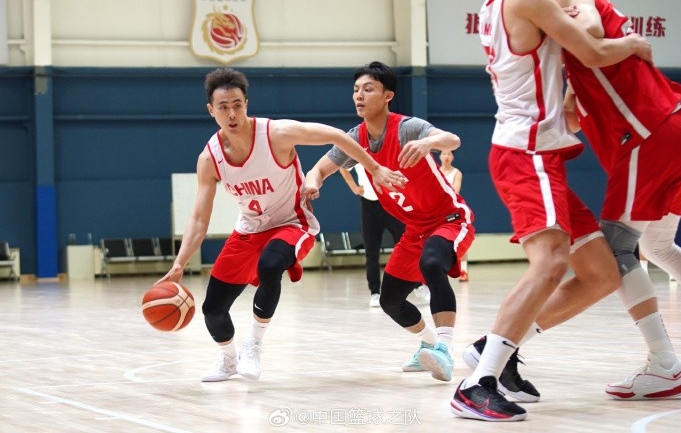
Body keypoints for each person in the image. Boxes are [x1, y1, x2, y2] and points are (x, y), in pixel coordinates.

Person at [450, 0, 652, 422]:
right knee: (551, 261)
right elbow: (594, 49)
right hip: (527, 151)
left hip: (539, 151)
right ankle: (476, 384)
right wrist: (633, 43)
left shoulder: (495, 2)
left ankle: (496, 349)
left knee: (601, 273)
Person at [157, 67, 404, 383]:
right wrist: (180, 263)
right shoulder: (210, 158)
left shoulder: (276, 134)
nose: (232, 114)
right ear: (211, 110)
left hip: (292, 223)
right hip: (249, 230)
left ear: (246, 104)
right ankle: (229, 360)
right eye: (223, 107)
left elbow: (337, 136)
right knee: (213, 310)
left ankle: (253, 345)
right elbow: (199, 218)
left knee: (270, 264)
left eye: (237, 105)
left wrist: (375, 168)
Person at [544, 0, 681, 399]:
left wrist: (626, 45)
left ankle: (665, 364)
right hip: (673, 127)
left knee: (615, 250)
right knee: (658, 244)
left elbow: (589, 32)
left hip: (647, 136)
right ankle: (664, 365)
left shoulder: (574, 3)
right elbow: (574, 119)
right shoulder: (574, 52)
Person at [305, 61, 475, 383]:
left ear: (388, 96)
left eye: (368, 89)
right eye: (356, 90)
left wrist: (428, 142)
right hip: (415, 229)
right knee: (390, 300)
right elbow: (319, 169)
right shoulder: (355, 139)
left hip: (448, 219)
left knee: (432, 263)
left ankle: (445, 350)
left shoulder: (407, 128)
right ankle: (428, 344)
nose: (359, 95)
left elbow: (452, 140)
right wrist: (313, 183)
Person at [338, 164, 412, 307]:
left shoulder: (383, 153)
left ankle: (417, 285)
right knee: (371, 252)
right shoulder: (357, 155)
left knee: (406, 246)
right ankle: (375, 292)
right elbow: (342, 167)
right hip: (369, 207)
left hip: (390, 202)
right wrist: (354, 187)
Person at [438, 150, 468, 281]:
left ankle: (463, 269)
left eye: (449, 154)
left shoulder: (457, 173)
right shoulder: (435, 171)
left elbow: (455, 192)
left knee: (460, 239)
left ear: (453, 156)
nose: (446, 156)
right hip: (436, 211)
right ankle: (439, 269)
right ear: (440, 156)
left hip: (452, 210)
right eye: (444, 154)